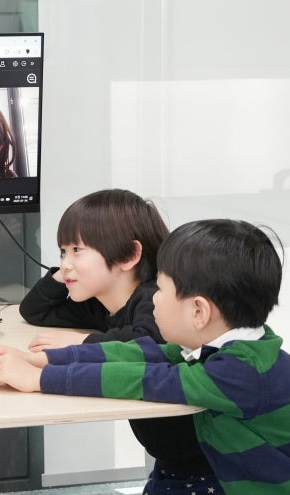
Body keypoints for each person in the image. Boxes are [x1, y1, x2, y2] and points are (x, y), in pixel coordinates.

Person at [0, 219, 290, 494]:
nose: (152, 298)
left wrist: (36, 380)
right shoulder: (232, 348)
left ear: (199, 311)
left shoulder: (241, 372)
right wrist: (48, 360)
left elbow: (148, 380)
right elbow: (147, 354)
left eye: (162, 290)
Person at [18, 189, 221, 494]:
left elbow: (149, 345)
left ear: (128, 255)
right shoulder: (104, 303)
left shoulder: (155, 299)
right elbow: (34, 310)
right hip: (173, 461)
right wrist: (65, 273)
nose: (65, 263)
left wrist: (83, 342)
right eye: (62, 251)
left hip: (209, 466)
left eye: (77, 249)